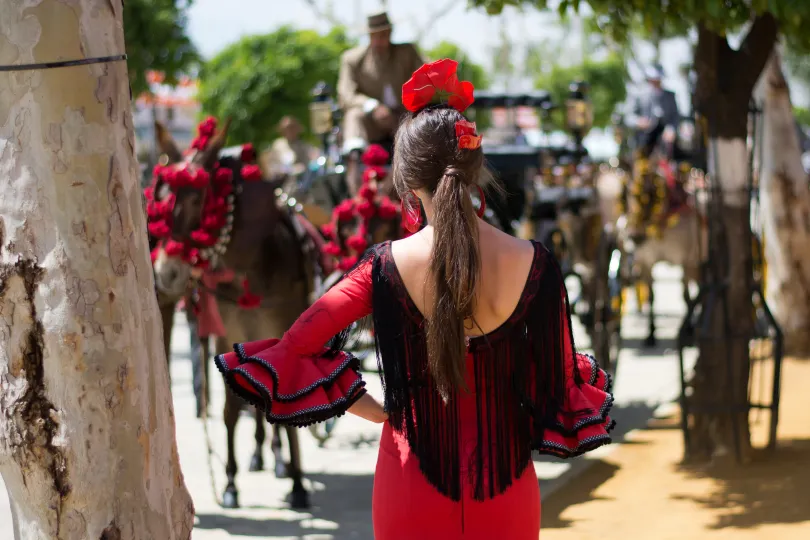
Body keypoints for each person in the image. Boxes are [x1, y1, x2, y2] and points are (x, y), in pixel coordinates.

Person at [216, 59, 614, 539]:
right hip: (504, 482)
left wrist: (379, 412)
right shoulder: (535, 262)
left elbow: (297, 344)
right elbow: (558, 377)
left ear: (405, 181)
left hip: (411, 476)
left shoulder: (383, 266)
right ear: (474, 168)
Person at [337, 11, 424, 192]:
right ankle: (355, 173)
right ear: (368, 35)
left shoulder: (407, 53)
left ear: (391, 32)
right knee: (354, 115)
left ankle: (407, 182)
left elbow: (426, 79)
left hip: (403, 118)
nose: (380, 39)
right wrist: (372, 106)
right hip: (371, 122)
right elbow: (346, 94)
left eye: (384, 33)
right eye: (375, 34)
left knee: (420, 123)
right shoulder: (353, 59)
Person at [626, 64, 681, 157]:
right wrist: (638, 121)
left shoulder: (670, 96)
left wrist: (671, 129)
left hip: (664, 139)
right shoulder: (638, 95)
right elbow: (628, 117)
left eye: (658, 80)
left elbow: (675, 116)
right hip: (644, 138)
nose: (656, 82)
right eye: (653, 80)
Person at [260, 116, 317, 181]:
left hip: (304, 181)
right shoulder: (278, 145)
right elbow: (271, 167)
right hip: (283, 183)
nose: (290, 131)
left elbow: (311, 163)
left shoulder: (304, 145)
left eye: (293, 127)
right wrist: (291, 170)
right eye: (287, 128)